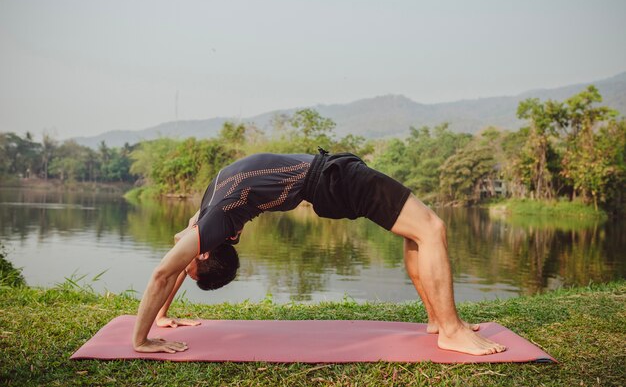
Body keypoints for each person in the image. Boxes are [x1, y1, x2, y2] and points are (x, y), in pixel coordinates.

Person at [132, 149, 507, 356]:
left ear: (200, 254)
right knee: (432, 229)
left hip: (331, 177)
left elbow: (172, 266)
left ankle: (439, 321)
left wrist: (160, 319)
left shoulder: (211, 220)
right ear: (205, 254)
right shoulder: (215, 217)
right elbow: (169, 271)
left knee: (417, 233)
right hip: (333, 180)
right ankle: (451, 330)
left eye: (190, 263)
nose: (186, 262)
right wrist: (142, 339)